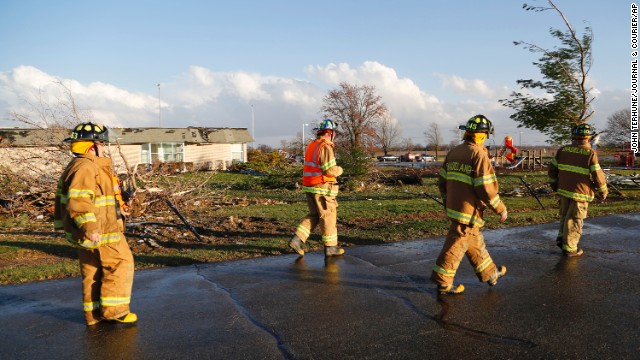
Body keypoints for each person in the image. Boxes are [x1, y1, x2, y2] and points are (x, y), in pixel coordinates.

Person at [53, 122, 137, 325]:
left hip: (93, 230)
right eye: (101, 143)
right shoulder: (87, 167)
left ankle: (94, 315)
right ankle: (115, 311)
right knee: (121, 264)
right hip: (101, 230)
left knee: (93, 272)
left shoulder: (83, 166)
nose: (104, 147)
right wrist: (90, 227)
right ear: (92, 146)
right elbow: (79, 200)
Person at [431, 114, 508, 295]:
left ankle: (490, 274)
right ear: (481, 135)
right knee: (456, 245)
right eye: (486, 135)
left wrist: (447, 201)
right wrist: (500, 209)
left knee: (474, 242)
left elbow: (442, 181)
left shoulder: (454, 152)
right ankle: (443, 282)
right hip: (469, 211)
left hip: (455, 208)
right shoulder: (478, 154)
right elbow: (486, 188)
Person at [548, 123, 608, 257]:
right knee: (574, 220)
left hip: (564, 191)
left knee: (564, 216)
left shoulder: (563, 150)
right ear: (589, 138)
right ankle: (570, 249)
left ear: (574, 136)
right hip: (580, 194)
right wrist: (603, 192)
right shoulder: (590, 153)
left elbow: (552, 170)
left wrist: (555, 185)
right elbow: (598, 176)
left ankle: (562, 239)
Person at [289, 119, 345, 257]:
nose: (335, 136)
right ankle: (331, 248)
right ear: (329, 133)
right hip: (322, 189)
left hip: (310, 187)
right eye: (334, 133)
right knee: (328, 217)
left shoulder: (312, 145)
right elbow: (329, 170)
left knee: (314, 215)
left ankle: (296, 239)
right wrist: (340, 170)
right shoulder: (325, 147)